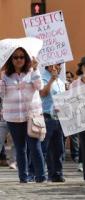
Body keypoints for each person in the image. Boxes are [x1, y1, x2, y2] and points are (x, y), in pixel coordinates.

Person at [0, 47, 46, 183]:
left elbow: (40, 87)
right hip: (13, 117)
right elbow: (1, 94)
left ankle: (41, 177)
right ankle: (23, 177)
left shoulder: (32, 72)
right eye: (15, 57)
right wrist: (1, 77)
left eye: (21, 57)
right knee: (20, 149)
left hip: (31, 115)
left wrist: (36, 69)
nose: (19, 60)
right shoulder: (6, 75)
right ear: (11, 60)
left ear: (26, 59)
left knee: (35, 147)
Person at [40, 63, 66, 182]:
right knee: (44, 148)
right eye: (57, 64)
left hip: (59, 118)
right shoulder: (42, 77)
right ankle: (40, 174)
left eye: (60, 64)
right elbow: (43, 94)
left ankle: (57, 174)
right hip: (47, 117)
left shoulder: (61, 81)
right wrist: (52, 79)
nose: (59, 67)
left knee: (58, 148)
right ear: (49, 66)